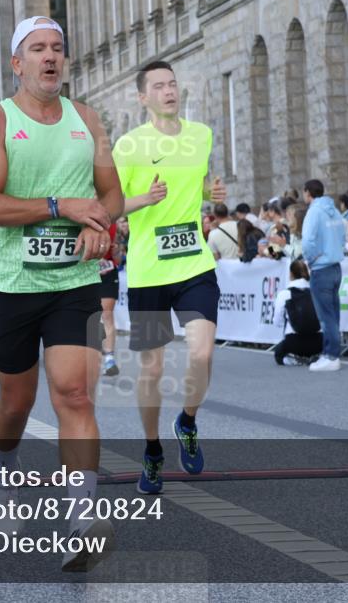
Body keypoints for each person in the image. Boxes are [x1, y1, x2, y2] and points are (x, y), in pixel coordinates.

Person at [0, 16, 123, 571]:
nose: (50, 56)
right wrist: (61, 206)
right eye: (38, 49)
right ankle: (5, 472)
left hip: (74, 282)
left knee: (75, 395)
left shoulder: (88, 119)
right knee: (16, 404)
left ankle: (82, 520)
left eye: (58, 47)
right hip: (12, 284)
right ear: (18, 63)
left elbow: (112, 193)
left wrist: (99, 220)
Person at [113, 59, 225, 498]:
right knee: (153, 367)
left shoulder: (201, 136)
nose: (169, 91)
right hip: (148, 271)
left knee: (201, 352)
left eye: (173, 83)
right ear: (143, 98)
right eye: (158, 86)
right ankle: (153, 450)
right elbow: (110, 206)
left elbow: (193, 188)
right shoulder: (129, 146)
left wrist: (209, 196)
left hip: (194, 262)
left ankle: (188, 422)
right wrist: (145, 198)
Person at [301, 179, 345, 372]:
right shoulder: (334, 210)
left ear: (307, 193)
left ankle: (331, 355)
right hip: (335, 265)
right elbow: (343, 233)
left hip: (321, 267)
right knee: (333, 313)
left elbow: (308, 241)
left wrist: (310, 259)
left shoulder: (314, 212)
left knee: (326, 316)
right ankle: (332, 353)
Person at [271, 259, 322, 366]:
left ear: (291, 274)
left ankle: (295, 358)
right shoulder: (317, 292)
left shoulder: (284, 294)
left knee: (278, 354)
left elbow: (277, 321)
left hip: (294, 342)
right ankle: (314, 356)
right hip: (318, 341)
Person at [98, 222, 120, 374]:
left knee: (107, 314)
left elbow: (118, 258)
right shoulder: (80, 215)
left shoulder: (113, 224)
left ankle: (109, 359)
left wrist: (117, 250)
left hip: (107, 272)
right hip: (82, 272)